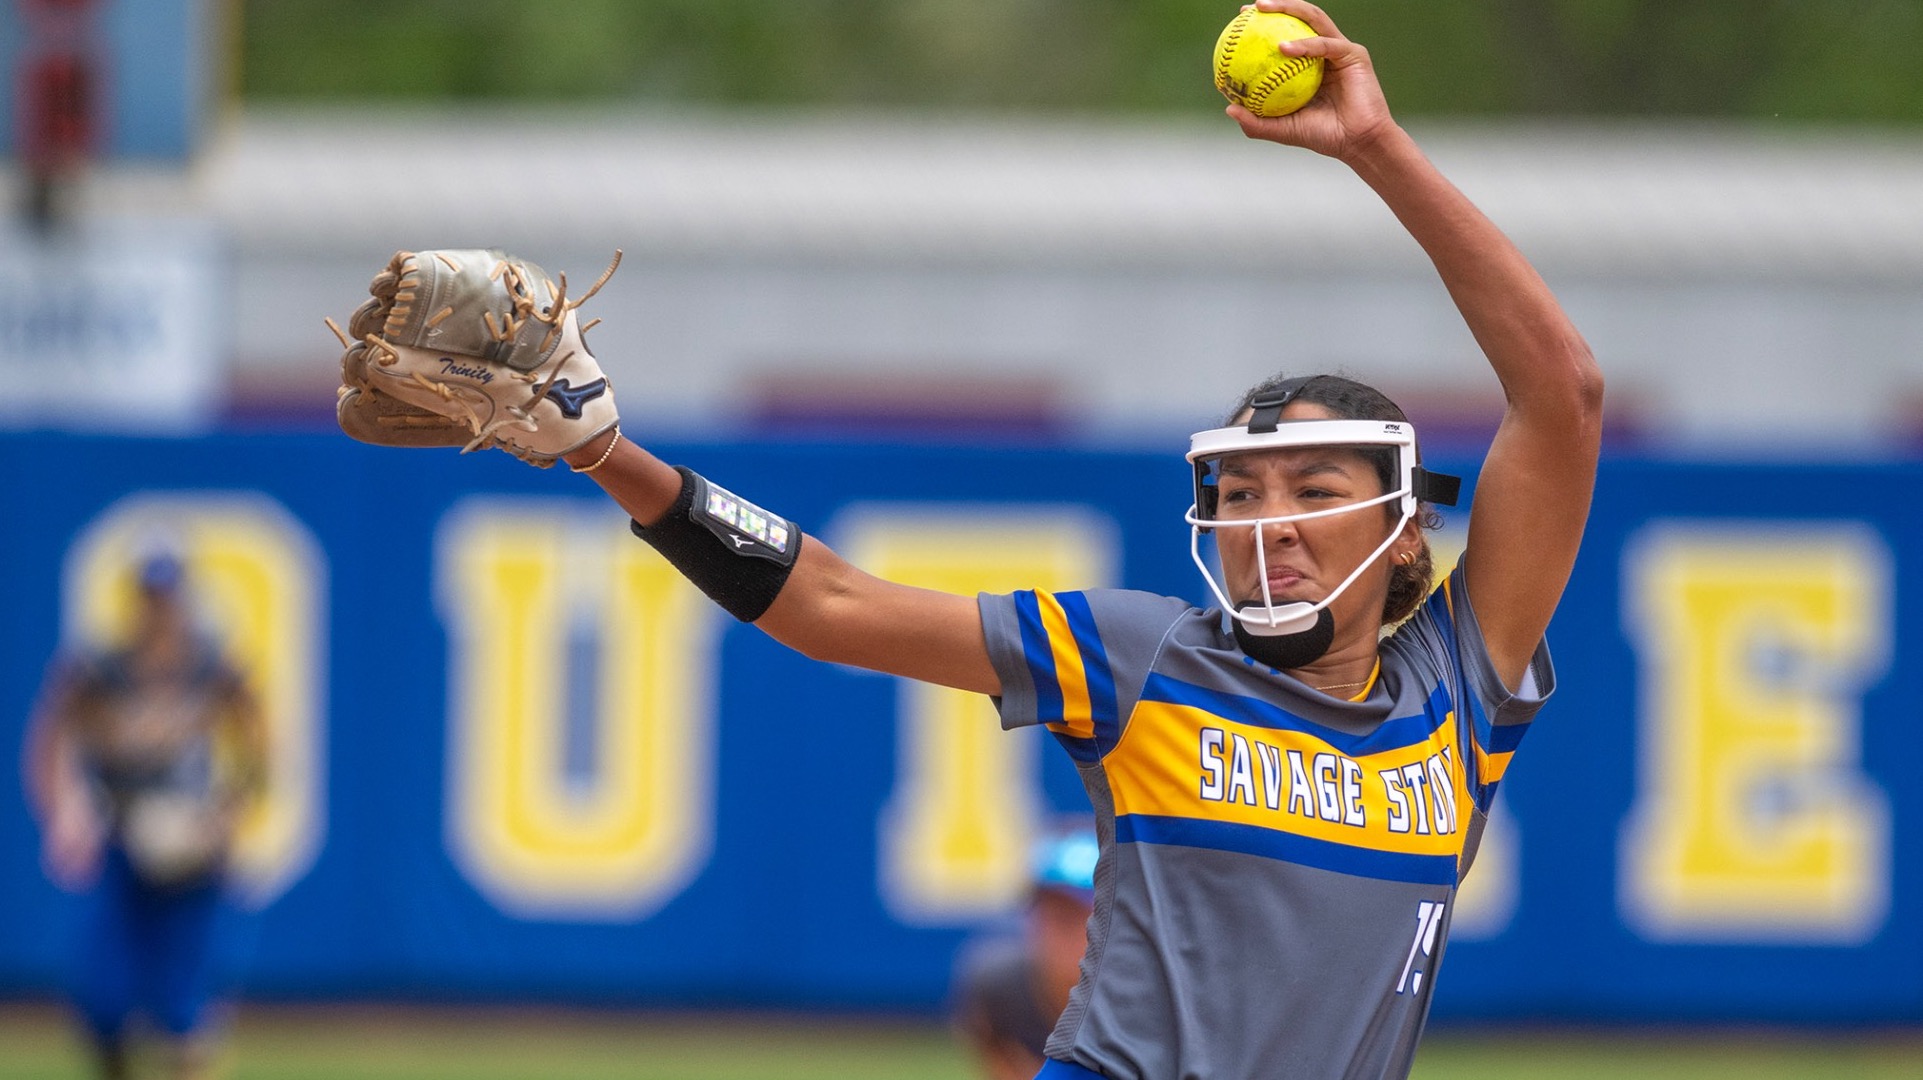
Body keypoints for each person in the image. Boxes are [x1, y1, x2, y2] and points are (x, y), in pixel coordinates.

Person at [342, 2, 1602, 1074]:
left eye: (1312, 489)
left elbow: (1563, 396)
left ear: (1398, 537)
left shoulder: (1458, 688)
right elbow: (829, 605)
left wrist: (1375, 149)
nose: (1269, 524)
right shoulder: (1144, 656)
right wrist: (608, 454)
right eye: (1241, 494)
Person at [22, 547, 269, 1080]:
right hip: (122, 837)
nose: (160, 611)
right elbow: (49, 735)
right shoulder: (102, 669)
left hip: (192, 851)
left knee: (183, 1008)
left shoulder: (209, 665)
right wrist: (62, 813)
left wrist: (232, 810)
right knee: (103, 998)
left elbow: (258, 737)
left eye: (168, 599)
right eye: (151, 599)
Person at [950, 827, 1101, 1080]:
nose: (1053, 929)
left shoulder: (1148, 998)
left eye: (1072, 915)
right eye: (1045, 912)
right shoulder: (999, 990)